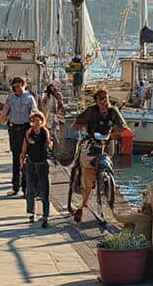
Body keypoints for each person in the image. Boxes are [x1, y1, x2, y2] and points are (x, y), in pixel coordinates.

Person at [71, 87, 126, 223]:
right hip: (91, 143)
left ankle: (107, 188)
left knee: (108, 167)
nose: (104, 101)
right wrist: (84, 129)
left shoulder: (113, 111)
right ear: (96, 101)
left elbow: (122, 127)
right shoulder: (91, 111)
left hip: (106, 144)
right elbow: (76, 124)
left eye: (106, 98)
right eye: (101, 99)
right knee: (88, 178)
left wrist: (114, 134)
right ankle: (83, 204)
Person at [0, 77, 39, 196]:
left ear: (24, 85)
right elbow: (5, 112)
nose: (18, 88)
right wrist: (3, 118)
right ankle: (15, 186)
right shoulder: (10, 98)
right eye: (15, 86)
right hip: (14, 130)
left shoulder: (29, 98)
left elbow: (34, 112)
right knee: (16, 158)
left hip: (26, 130)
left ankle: (27, 188)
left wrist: (35, 126)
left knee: (27, 158)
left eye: (20, 85)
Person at [19, 111, 52, 227]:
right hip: (31, 164)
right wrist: (21, 162)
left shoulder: (45, 132)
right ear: (31, 122)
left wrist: (50, 145)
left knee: (45, 191)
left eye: (39, 120)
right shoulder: (28, 133)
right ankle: (31, 213)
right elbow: (24, 150)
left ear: (42, 122)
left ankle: (45, 215)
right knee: (30, 190)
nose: (37, 123)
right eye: (34, 120)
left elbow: (49, 145)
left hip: (42, 164)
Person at [41, 84, 66, 149]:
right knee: (48, 133)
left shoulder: (58, 95)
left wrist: (59, 98)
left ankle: (56, 148)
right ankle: (49, 148)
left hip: (56, 116)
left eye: (53, 89)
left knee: (56, 133)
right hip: (48, 116)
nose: (52, 90)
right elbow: (43, 106)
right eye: (51, 89)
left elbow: (61, 105)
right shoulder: (46, 96)